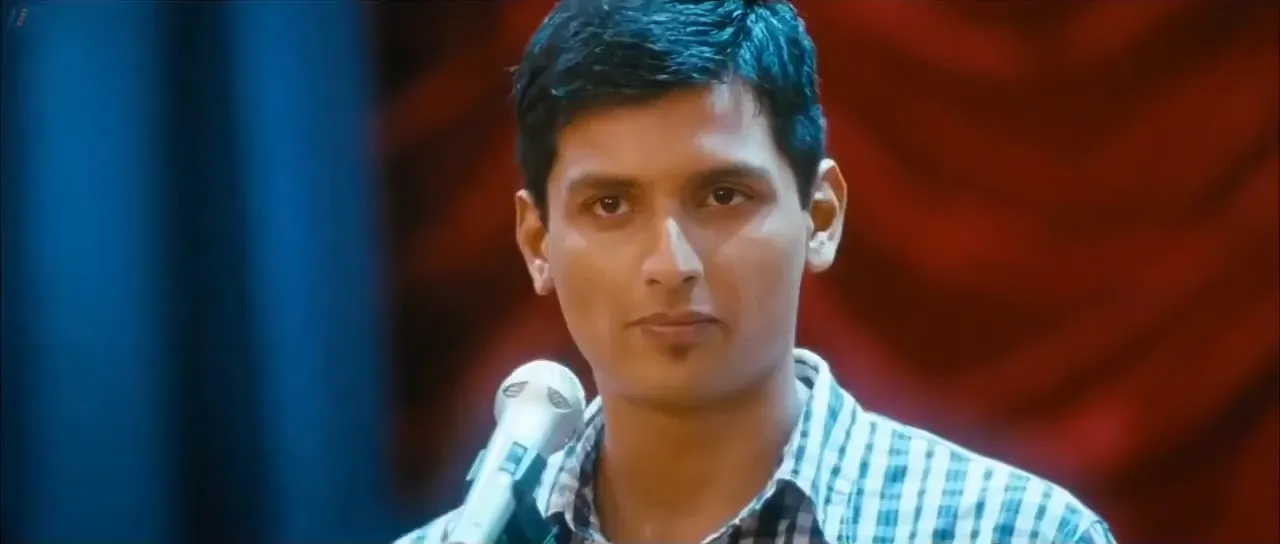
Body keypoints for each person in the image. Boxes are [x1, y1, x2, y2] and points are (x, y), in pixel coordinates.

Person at [397, 1, 1117, 542]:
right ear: (537, 242)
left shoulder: (1014, 532)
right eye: (611, 204)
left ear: (821, 216)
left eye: (722, 196)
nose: (671, 264)